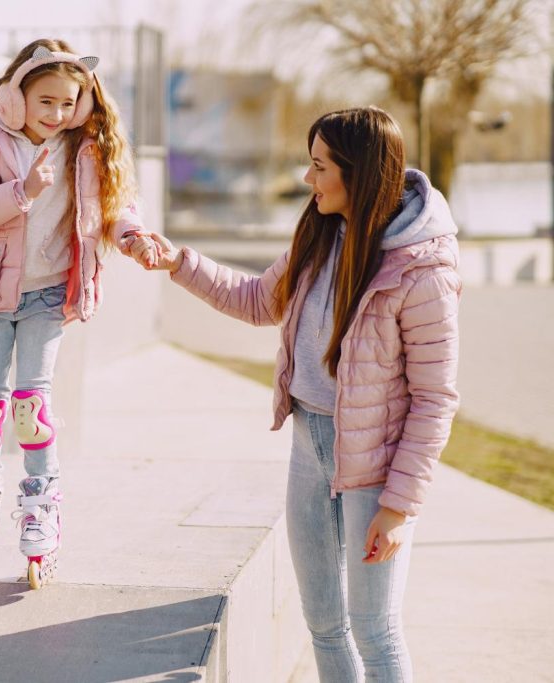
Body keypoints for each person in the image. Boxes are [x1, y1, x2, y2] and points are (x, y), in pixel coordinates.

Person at [124, 106, 460, 680]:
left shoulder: (421, 269)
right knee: (324, 624)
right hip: (310, 446)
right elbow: (258, 299)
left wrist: (399, 507)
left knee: (374, 628)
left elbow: (435, 399)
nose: (308, 179)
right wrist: (179, 261)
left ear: (357, 173)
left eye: (318, 166)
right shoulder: (321, 233)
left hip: (376, 466)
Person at [0, 38, 144, 589]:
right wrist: (22, 190)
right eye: (46, 101)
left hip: (48, 297)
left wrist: (134, 237)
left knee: (32, 406)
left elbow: (115, 208)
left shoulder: (84, 149)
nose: (57, 114)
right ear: (15, 97)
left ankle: (40, 511)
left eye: (67, 102)